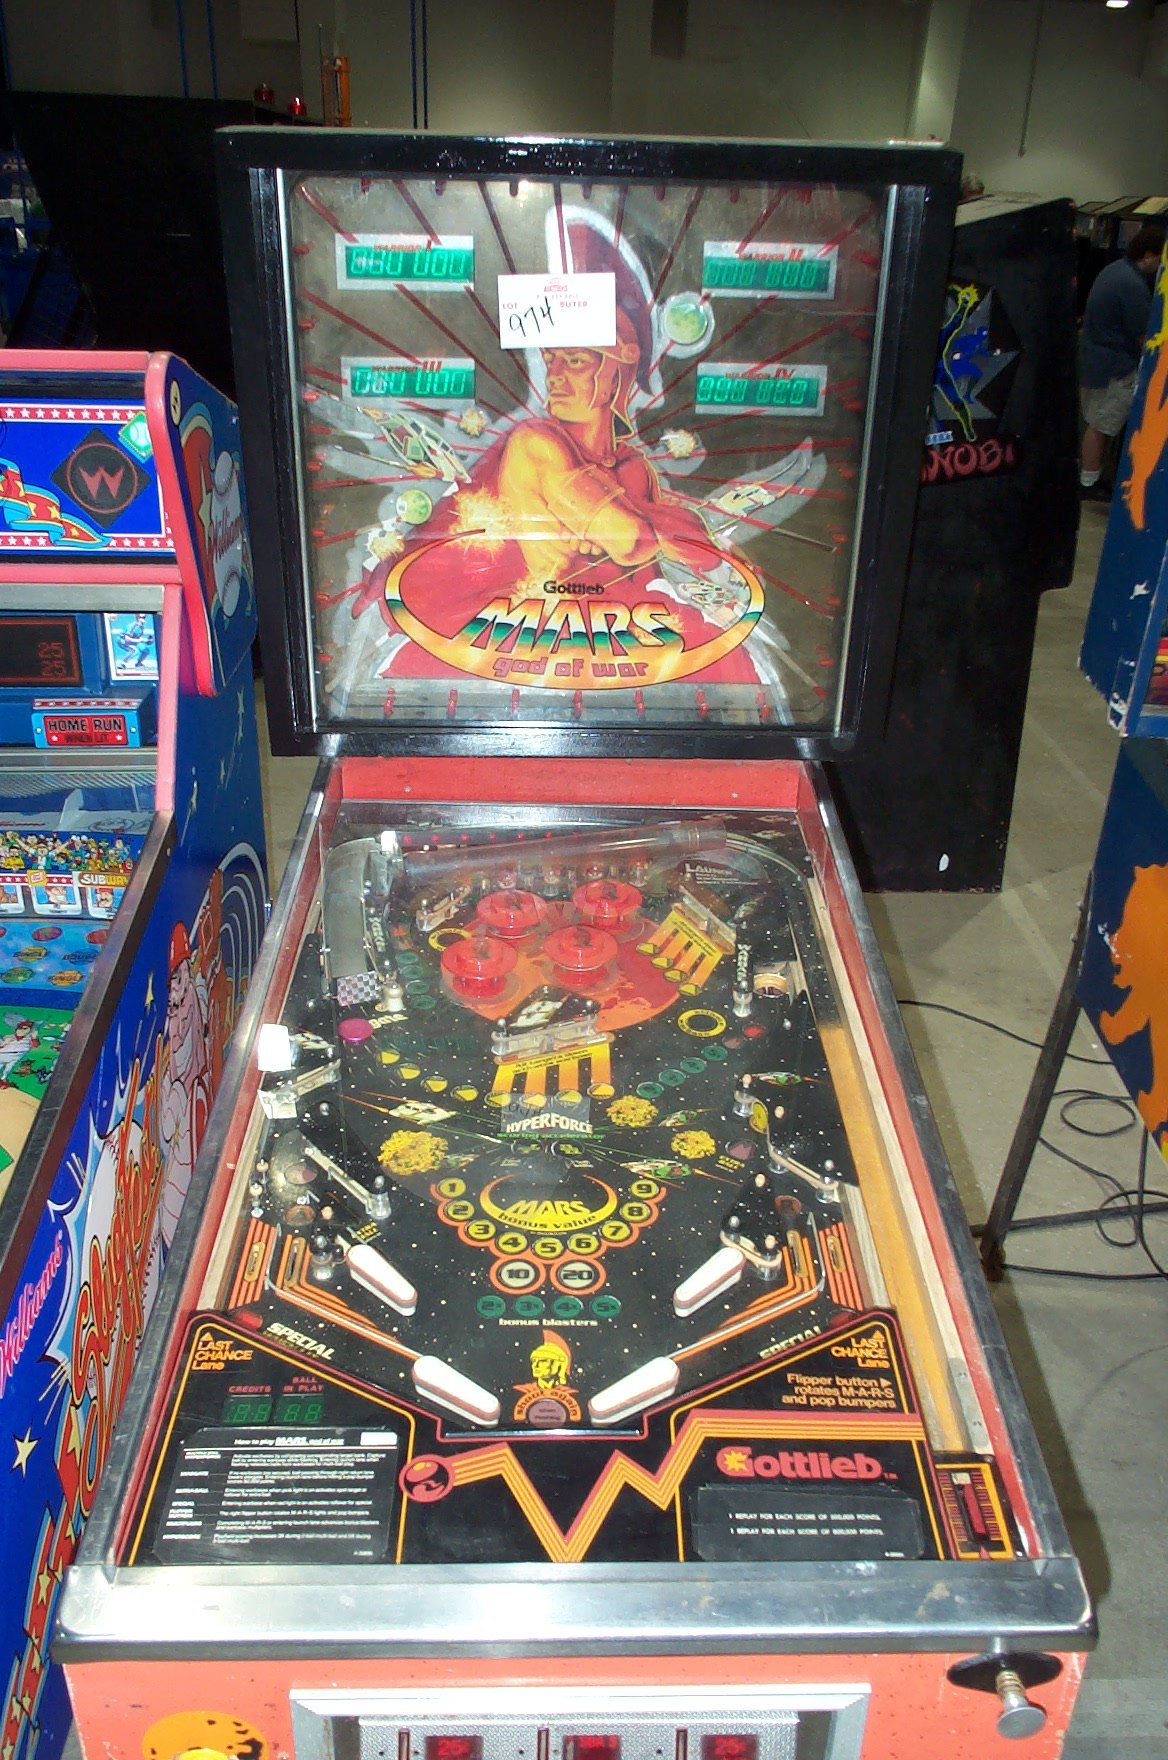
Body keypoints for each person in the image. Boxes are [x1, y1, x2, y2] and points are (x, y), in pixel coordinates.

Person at [1079, 223, 1165, 495]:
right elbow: (1144, 336)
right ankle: (1088, 483)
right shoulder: (1133, 285)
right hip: (1115, 368)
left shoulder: (1113, 270)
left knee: (1097, 424)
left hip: (1095, 362)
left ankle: (1091, 477)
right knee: (1101, 426)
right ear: (1149, 255)